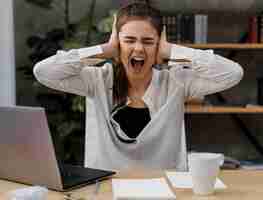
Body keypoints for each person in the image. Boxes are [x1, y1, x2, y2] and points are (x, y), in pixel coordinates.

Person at [33, 2, 243, 171]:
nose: (138, 48)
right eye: (129, 40)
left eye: (148, 41)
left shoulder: (176, 82)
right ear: (118, 44)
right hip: (106, 189)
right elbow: (43, 72)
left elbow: (232, 74)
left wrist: (173, 51)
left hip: (165, 189)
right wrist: (104, 49)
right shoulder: (96, 80)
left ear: (159, 46)